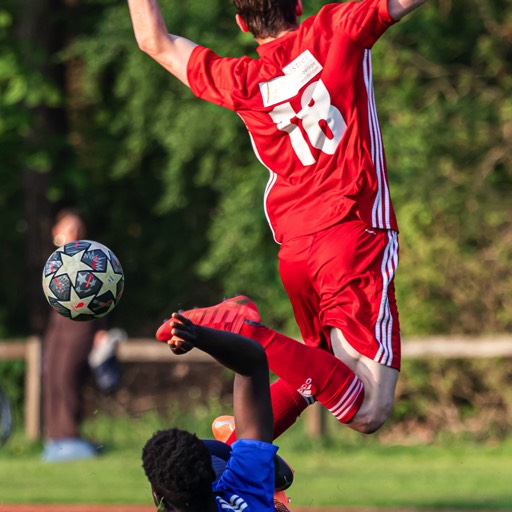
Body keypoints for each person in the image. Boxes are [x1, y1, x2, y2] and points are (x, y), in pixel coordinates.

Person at [127, 0, 430, 441]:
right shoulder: (337, 27)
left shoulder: (243, 79)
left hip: (296, 251)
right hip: (352, 234)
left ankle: (241, 446)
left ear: (241, 24)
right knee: (368, 407)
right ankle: (242, 329)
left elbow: (153, 40)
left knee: (321, 365)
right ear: (298, 5)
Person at [142, 312, 279, 511]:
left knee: (214, 450)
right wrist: (196, 335)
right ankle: (271, 480)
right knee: (217, 450)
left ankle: (269, 474)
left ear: (159, 498)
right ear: (213, 476)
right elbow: (253, 362)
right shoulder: (244, 493)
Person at [41, 208, 125, 462]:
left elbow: (104, 291)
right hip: (57, 328)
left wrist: (101, 329)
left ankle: (69, 436)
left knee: (68, 378)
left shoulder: (92, 257)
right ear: (57, 233)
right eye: (69, 227)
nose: (74, 232)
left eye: (78, 228)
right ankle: (54, 437)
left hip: (83, 326)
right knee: (51, 379)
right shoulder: (54, 261)